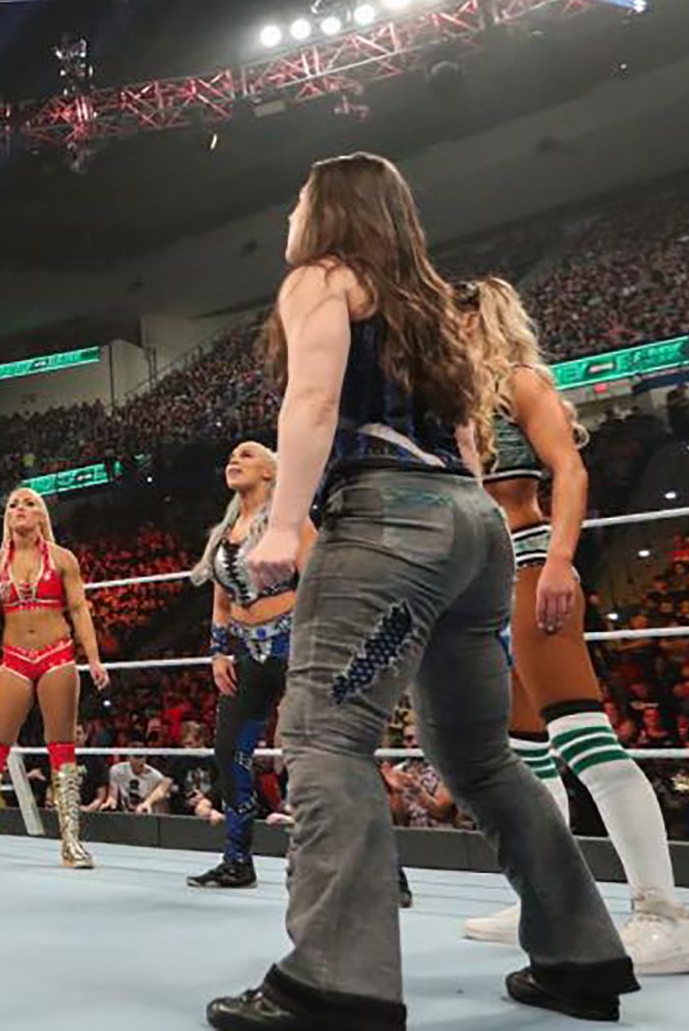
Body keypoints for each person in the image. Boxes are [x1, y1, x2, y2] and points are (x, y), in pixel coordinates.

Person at [205, 153, 635, 1031]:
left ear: (330, 210)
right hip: (472, 528)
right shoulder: (433, 302)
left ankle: (335, 983)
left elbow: (313, 399)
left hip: (387, 520)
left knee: (325, 738)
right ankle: (581, 959)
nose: (289, 216)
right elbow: (471, 442)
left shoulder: (323, 277)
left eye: (298, 200)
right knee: (481, 759)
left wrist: (283, 524)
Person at [456, 277, 689, 975]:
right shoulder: (453, 402)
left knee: (581, 735)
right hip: (479, 579)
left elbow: (568, 469)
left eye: (451, 315)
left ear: (478, 317)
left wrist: (562, 560)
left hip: (530, 561)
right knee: (524, 751)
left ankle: (664, 915)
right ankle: (548, 898)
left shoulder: (521, 380)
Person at [0, 485, 111, 868]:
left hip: (57, 654)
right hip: (14, 658)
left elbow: (79, 609)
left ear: (42, 514)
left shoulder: (62, 559)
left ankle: (71, 843)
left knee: (61, 746)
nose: (20, 508)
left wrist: (95, 659)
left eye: (29, 503)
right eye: (14, 504)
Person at [187, 441, 314, 889]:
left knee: (327, 751)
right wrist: (218, 651)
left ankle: (386, 869)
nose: (234, 460)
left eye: (246, 454)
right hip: (244, 652)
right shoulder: (225, 533)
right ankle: (237, 859)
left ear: (269, 472)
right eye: (231, 457)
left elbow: (317, 580)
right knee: (229, 752)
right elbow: (221, 602)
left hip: (294, 643)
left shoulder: (290, 521)